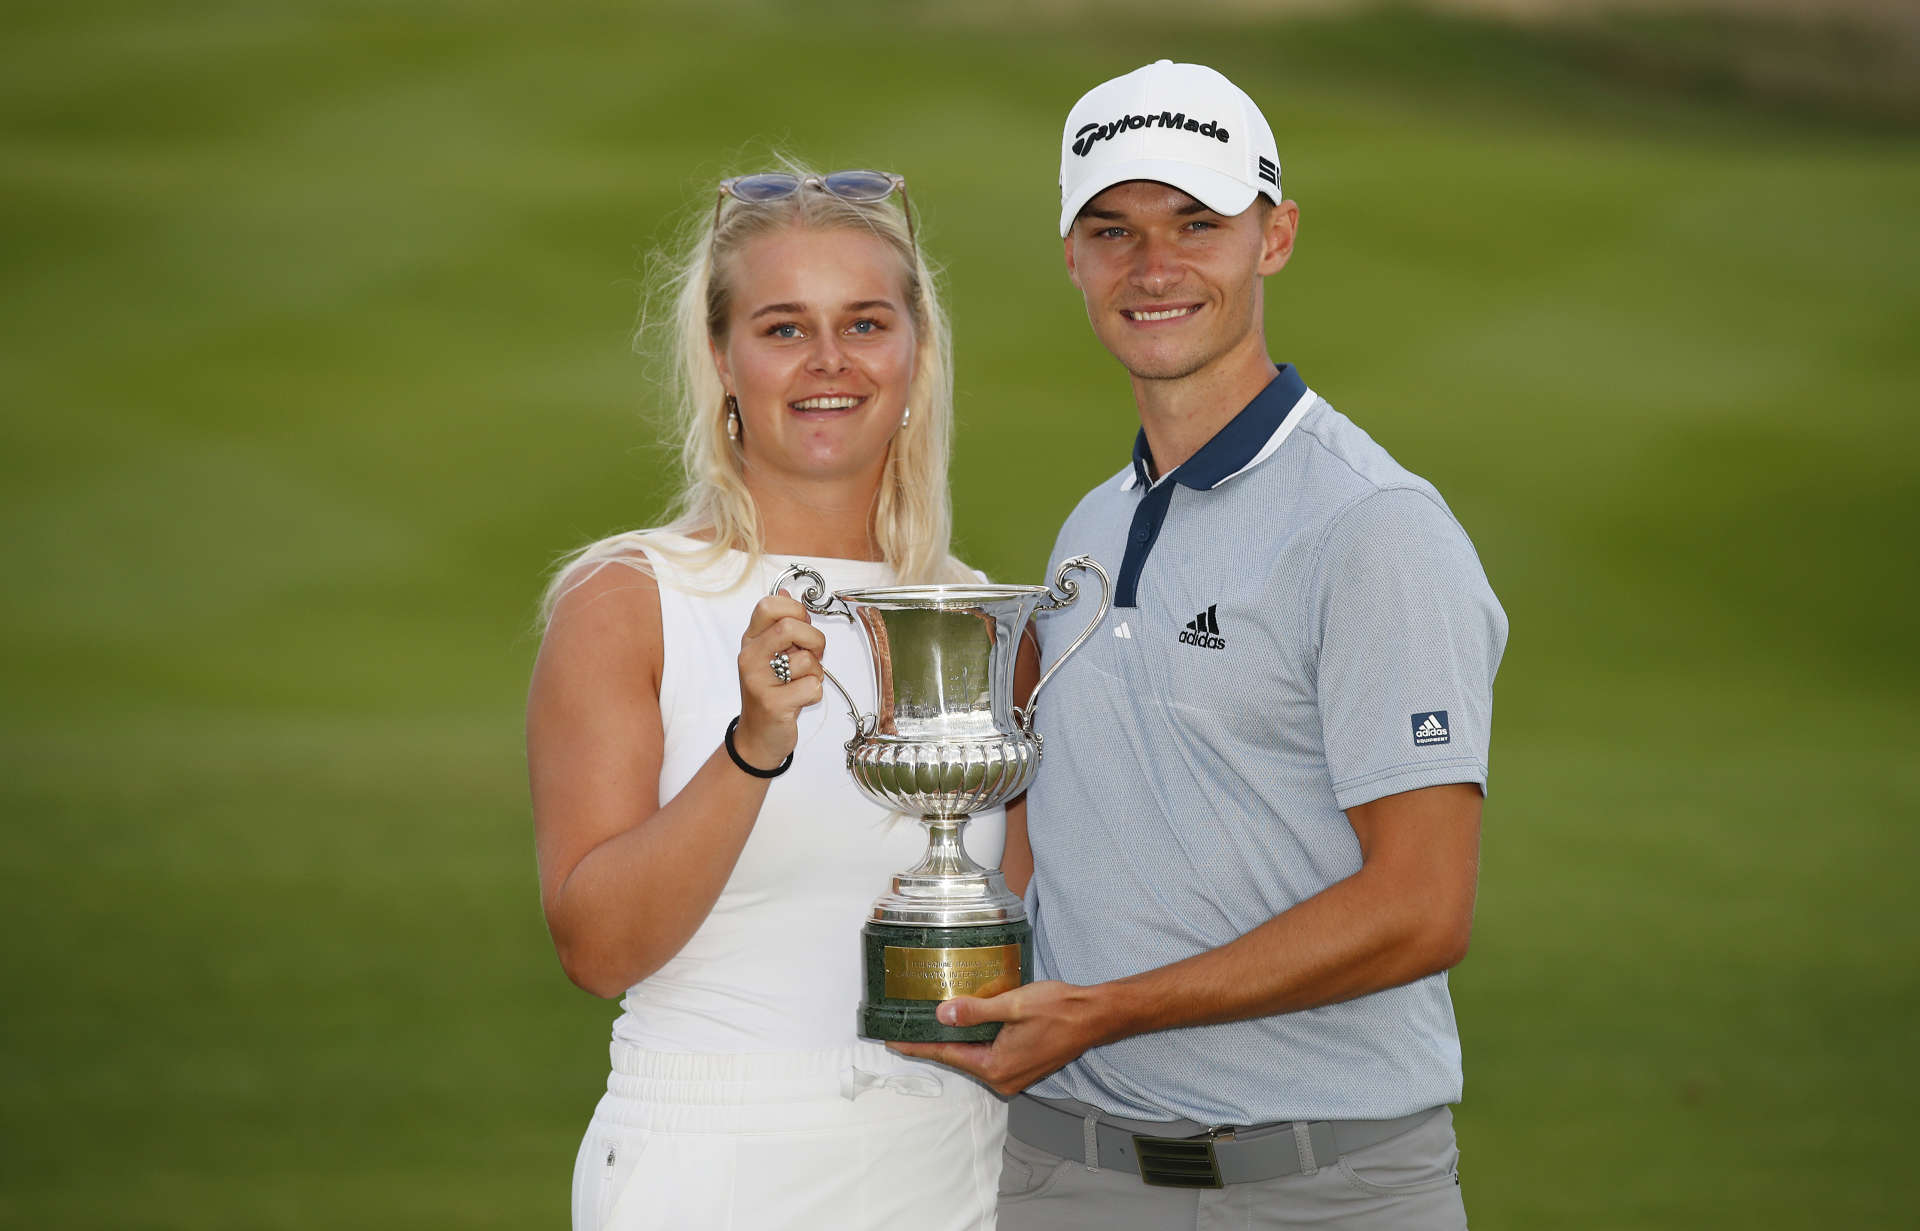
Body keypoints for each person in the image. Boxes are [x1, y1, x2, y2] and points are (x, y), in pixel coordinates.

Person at [890, 62, 1509, 1229]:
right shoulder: (1092, 526)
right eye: (1112, 229)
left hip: (1323, 1187)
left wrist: (1109, 1009)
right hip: (1070, 1174)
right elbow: (1058, 824)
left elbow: (1425, 905)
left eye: (1196, 224)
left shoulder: (1372, 527)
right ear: (1071, 256)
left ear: (1274, 238)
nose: (1153, 267)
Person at [527, 164, 1010, 1231]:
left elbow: (1026, 929)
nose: (831, 362)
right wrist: (752, 745)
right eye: (785, 328)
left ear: (916, 355)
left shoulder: (979, 615)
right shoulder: (629, 601)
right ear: (720, 359)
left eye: (866, 323)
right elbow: (596, 947)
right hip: (714, 1166)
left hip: (959, 1164)